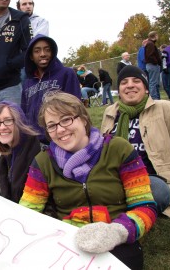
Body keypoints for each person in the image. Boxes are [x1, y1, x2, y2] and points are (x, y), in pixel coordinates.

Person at [19, 91, 157, 270]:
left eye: (66, 119)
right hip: (66, 243)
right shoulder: (42, 162)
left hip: (117, 240)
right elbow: (27, 212)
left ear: (83, 118)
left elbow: (145, 206)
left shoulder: (119, 149)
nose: (60, 129)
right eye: (51, 126)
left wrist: (117, 232)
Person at [101, 65, 170, 217]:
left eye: (136, 81)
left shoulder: (164, 108)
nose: (130, 85)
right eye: (124, 82)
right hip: (117, 178)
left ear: (146, 88)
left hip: (151, 179)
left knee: (159, 191)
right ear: (119, 90)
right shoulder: (110, 112)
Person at [21, 34, 81, 141]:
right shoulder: (27, 83)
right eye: (37, 51)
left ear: (52, 52)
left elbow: (76, 107)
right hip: (34, 142)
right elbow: (24, 113)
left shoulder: (66, 74)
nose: (43, 54)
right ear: (31, 56)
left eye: (47, 50)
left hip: (60, 137)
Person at [0, 101, 42, 203]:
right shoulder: (6, 154)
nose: (2, 127)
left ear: (19, 122)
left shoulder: (37, 154)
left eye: (7, 120)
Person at [145, 31, 162, 100]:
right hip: (152, 65)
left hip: (152, 65)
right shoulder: (150, 44)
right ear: (154, 36)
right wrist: (156, 62)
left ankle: (157, 97)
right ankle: (154, 98)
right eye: (157, 35)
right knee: (153, 83)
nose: (157, 37)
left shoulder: (150, 44)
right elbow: (150, 55)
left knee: (155, 82)